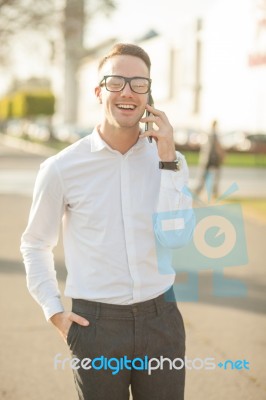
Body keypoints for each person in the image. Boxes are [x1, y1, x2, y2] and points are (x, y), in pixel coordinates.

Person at [21, 43, 193, 400]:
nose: (128, 92)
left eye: (139, 83)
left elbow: (176, 240)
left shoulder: (170, 161)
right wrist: (54, 312)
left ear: (150, 94)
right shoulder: (61, 168)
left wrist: (167, 161)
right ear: (99, 91)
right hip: (96, 327)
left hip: (162, 320)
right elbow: (36, 243)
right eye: (116, 82)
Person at [194, 120, 225, 198]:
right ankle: (213, 192)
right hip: (212, 158)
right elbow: (218, 146)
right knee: (212, 176)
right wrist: (222, 155)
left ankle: (199, 191)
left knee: (204, 176)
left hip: (208, 158)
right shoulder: (214, 134)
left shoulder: (208, 134)